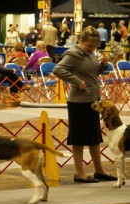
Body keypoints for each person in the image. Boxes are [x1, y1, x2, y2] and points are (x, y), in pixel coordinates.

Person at [52, 26, 117, 183]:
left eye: (94, 47)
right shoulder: (73, 54)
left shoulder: (91, 54)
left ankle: (99, 171)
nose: (92, 49)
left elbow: (91, 74)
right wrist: (76, 81)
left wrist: (102, 66)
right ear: (81, 41)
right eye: (89, 46)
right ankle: (80, 173)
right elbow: (57, 69)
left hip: (92, 100)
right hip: (78, 102)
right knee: (79, 139)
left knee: (95, 138)